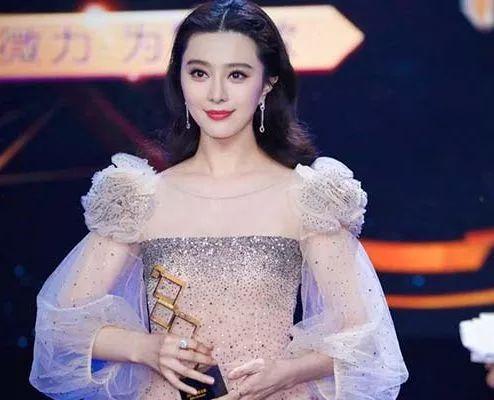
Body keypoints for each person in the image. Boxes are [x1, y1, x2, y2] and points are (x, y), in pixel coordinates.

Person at [29, 0, 409, 398]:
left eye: (237, 75)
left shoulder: (306, 197)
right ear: (179, 79)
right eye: (199, 73)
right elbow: (60, 326)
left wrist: (289, 371)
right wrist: (145, 348)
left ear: (268, 83)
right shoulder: (139, 197)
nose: (216, 93)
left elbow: (363, 335)